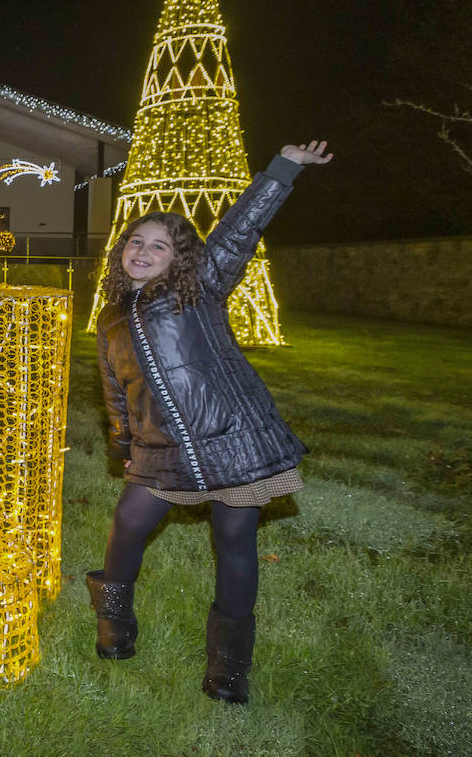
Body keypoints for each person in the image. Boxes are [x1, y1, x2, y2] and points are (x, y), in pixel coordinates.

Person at [88, 139, 333, 705]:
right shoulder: (111, 319)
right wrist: (123, 443)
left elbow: (238, 230)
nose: (143, 251)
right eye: (135, 242)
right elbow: (115, 391)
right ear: (122, 252)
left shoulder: (196, 291)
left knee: (233, 538)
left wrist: (285, 167)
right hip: (157, 447)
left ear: (180, 259)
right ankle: (115, 624)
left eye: (159, 245)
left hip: (235, 443)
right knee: (128, 521)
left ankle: (228, 667)